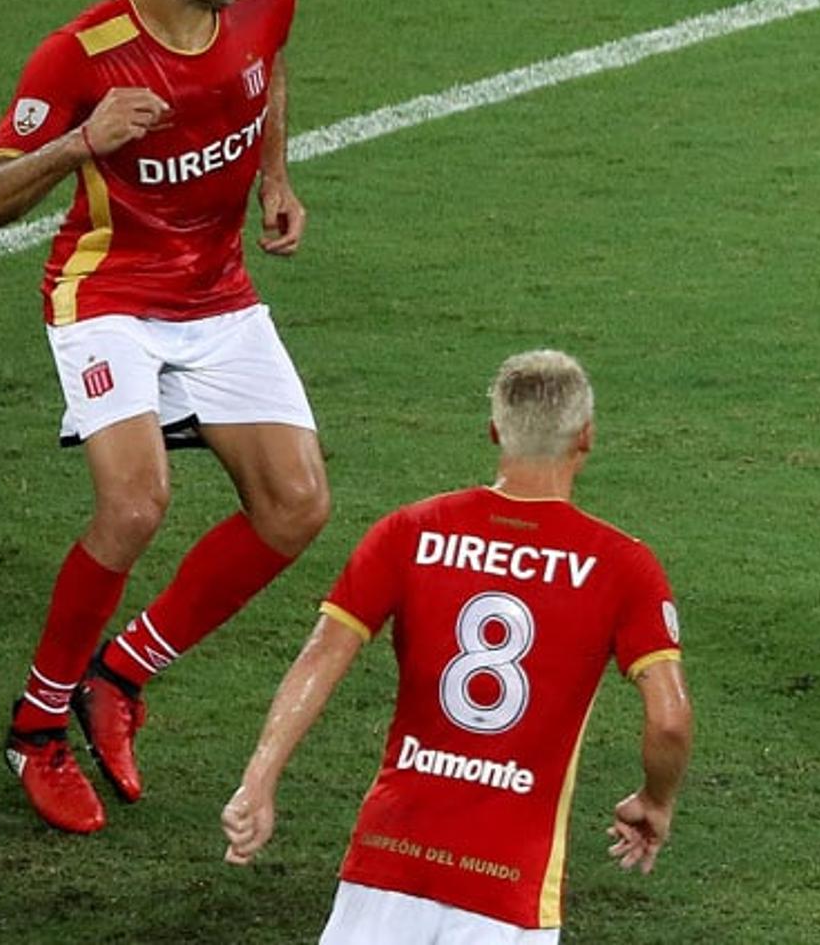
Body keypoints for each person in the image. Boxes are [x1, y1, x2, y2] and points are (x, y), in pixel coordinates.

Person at [0, 0, 331, 834]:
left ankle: (119, 676)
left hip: (218, 293)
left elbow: (270, 60)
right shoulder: (77, 59)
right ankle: (36, 728)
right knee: (134, 503)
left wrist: (274, 179)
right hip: (109, 297)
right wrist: (81, 143)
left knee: (296, 506)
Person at [221, 349, 692, 945]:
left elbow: (322, 654)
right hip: (507, 887)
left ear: (496, 430)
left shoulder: (410, 530)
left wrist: (258, 780)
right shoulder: (622, 566)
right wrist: (657, 798)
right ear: (586, 436)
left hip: (388, 860)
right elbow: (670, 722)